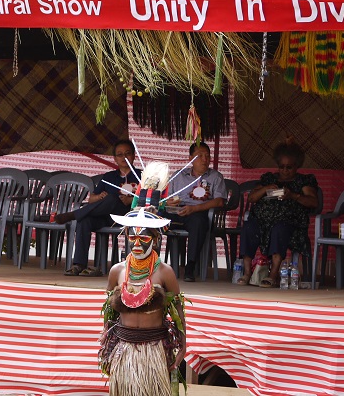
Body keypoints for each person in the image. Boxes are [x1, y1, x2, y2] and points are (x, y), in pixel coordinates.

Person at [99, 207, 186, 396]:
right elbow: (109, 310)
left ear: (155, 240)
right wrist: (106, 339)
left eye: (144, 238)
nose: (137, 244)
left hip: (153, 350)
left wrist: (183, 345)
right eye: (132, 237)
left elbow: (177, 308)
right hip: (124, 350)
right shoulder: (117, 271)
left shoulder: (164, 272)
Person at [238, 140, 318, 288]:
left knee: (279, 229)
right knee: (249, 227)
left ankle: (273, 275)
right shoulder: (269, 179)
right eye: (281, 167)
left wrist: (293, 195)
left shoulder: (303, 181)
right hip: (262, 221)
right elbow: (252, 198)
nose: (285, 171)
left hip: (289, 222)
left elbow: (313, 202)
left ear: (297, 166)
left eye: (289, 167)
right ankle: (247, 273)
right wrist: (266, 188)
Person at [57, 139, 141, 276]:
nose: (124, 157)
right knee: (85, 220)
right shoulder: (109, 176)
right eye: (120, 154)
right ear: (115, 159)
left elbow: (148, 200)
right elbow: (92, 199)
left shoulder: (141, 176)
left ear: (133, 156)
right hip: (106, 217)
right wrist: (100, 197)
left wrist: (131, 200)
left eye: (127, 153)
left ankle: (74, 214)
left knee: (113, 198)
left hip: (127, 216)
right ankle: (79, 264)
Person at [164, 141, 227, 282]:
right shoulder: (179, 175)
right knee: (154, 216)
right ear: (190, 159)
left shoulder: (215, 177)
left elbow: (219, 201)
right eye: (200, 156)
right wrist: (168, 203)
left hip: (198, 212)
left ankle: (190, 266)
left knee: (198, 222)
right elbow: (166, 198)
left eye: (207, 156)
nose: (205, 159)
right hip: (177, 211)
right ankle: (150, 263)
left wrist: (194, 209)